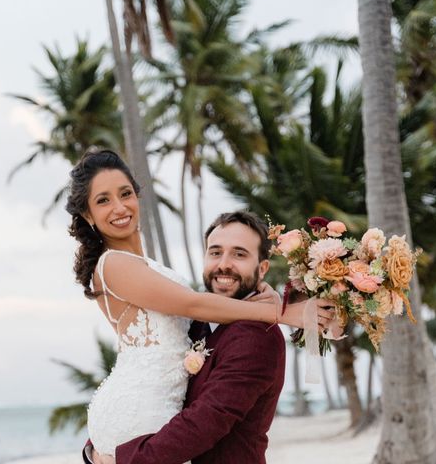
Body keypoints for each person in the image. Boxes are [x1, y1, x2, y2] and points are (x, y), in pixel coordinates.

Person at [64, 149, 334, 461]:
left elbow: (196, 324)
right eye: (103, 200)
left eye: (125, 193)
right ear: (87, 215)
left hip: (145, 425)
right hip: (139, 419)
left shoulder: (148, 269)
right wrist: (287, 313)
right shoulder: (113, 264)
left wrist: (276, 298)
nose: (119, 207)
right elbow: (194, 304)